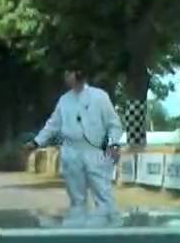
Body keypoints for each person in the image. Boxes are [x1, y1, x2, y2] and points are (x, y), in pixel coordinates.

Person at [25, 69, 124, 216]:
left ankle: (108, 232)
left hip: (95, 151)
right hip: (71, 152)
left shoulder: (99, 97)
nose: (67, 78)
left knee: (103, 195)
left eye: (70, 74)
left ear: (79, 75)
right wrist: (36, 142)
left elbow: (114, 124)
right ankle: (78, 231)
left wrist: (113, 144)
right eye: (65, 74)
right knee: (76, 199)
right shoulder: (64, 100)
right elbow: (53, 124)